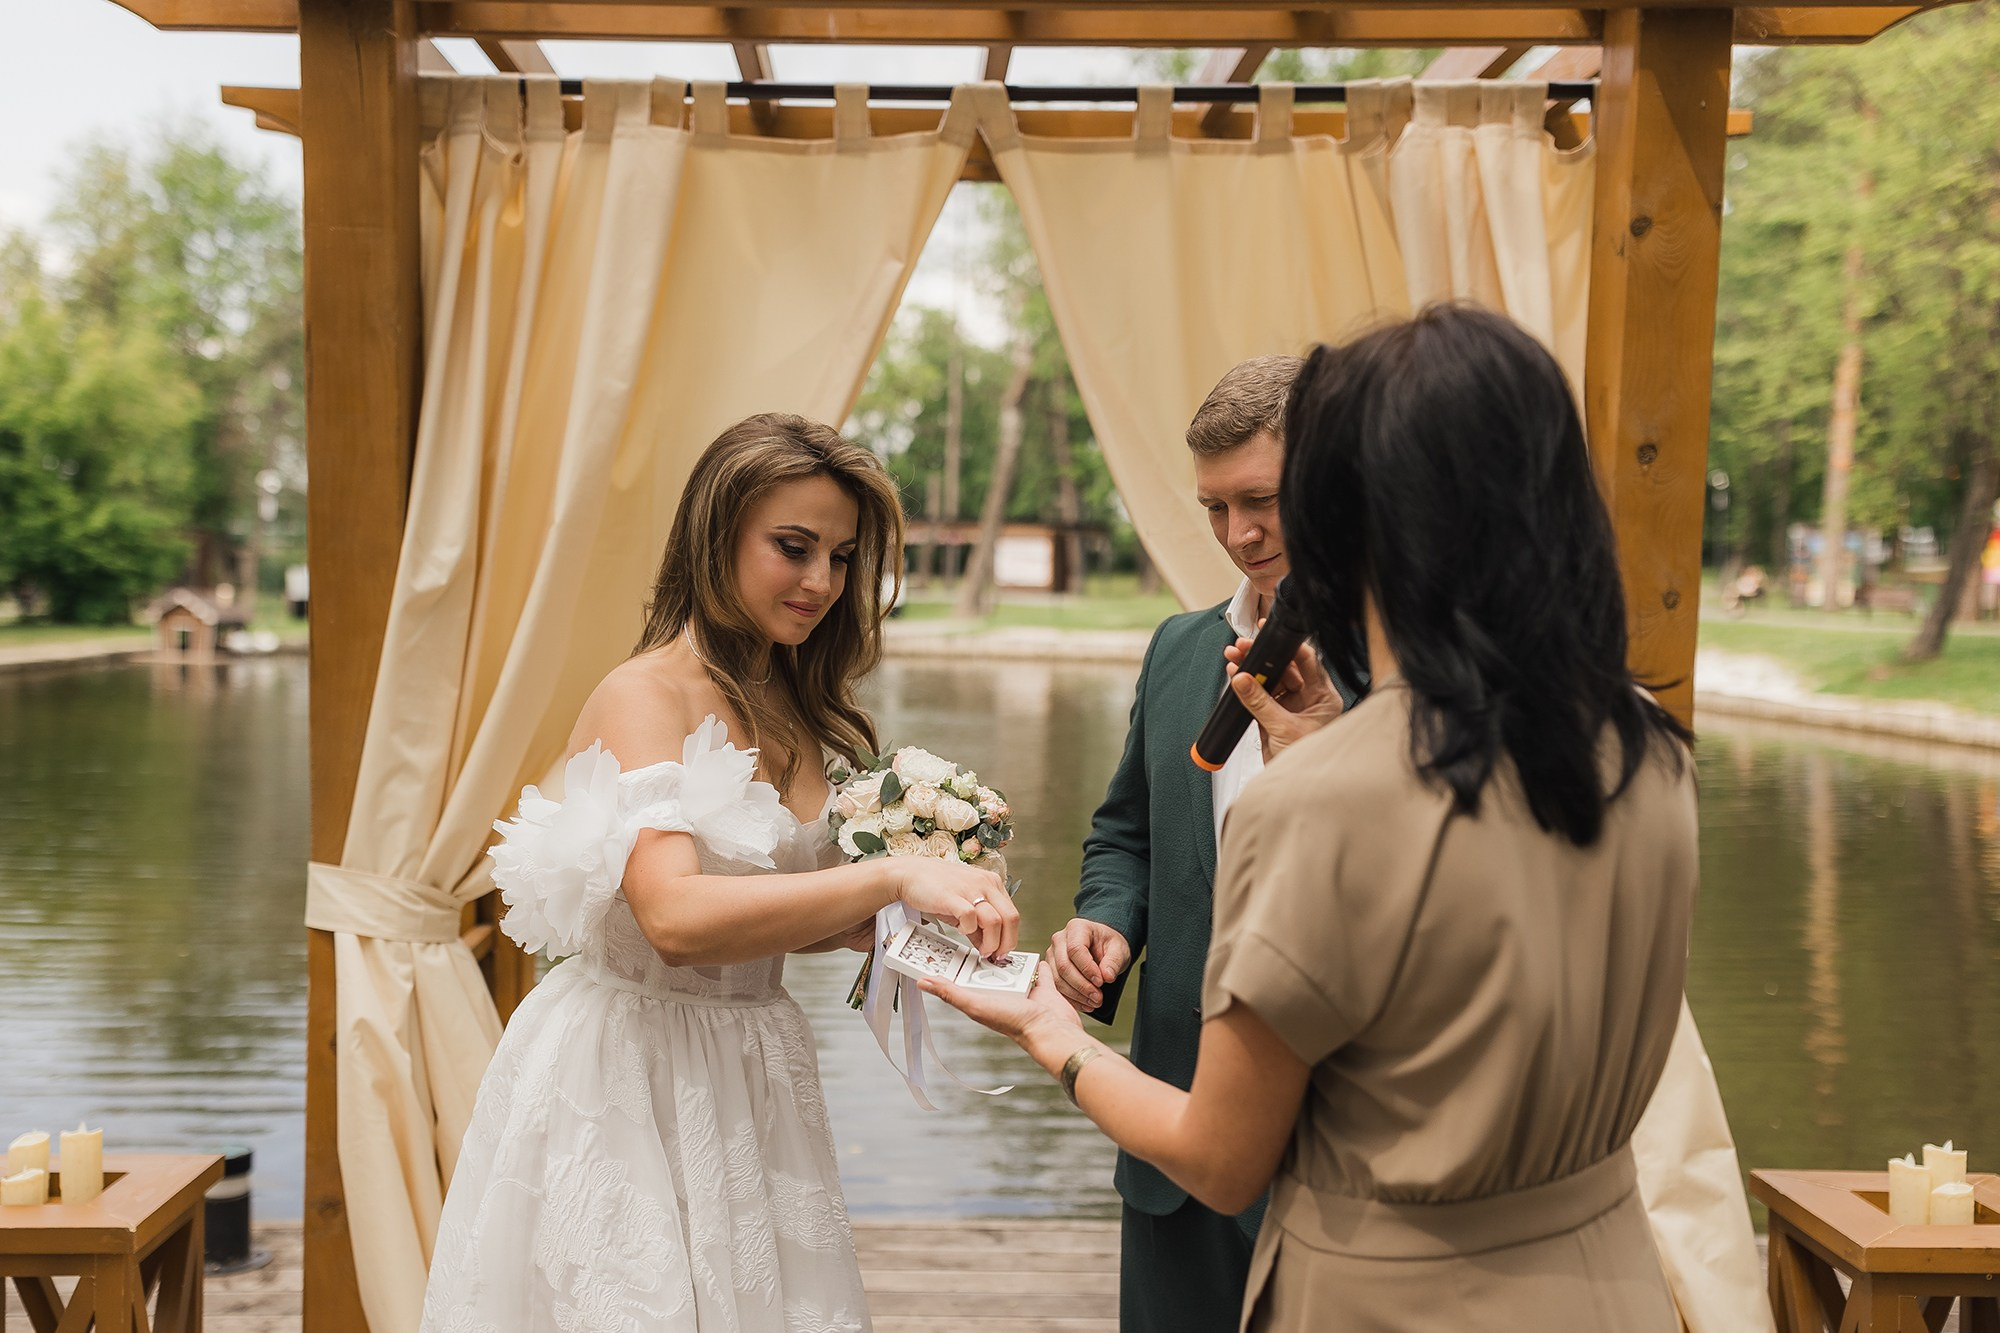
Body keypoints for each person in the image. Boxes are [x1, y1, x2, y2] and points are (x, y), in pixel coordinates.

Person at [929, 306, 1697, 1330]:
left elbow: (1220, 1152)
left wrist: (1051, 1032)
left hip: (1386, 1293)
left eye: (1285, 496)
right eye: (1216, 506)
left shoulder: (1322, 797)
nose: (1243, 532)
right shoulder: (1647, 750)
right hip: (1597, 1279)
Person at [421, 414, 1016, 1332]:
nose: (822, 582)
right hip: (629, 1072)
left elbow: (765, 915)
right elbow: (673, 919)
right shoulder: (644, 695)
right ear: (716, 536)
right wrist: (890, 879)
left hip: (754, 1066)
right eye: (793, 547)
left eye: (842, 557)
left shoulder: (796, 701)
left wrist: (900, 923)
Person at [1046, 355, 1352, 1333]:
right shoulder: (1178, 647)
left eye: (1260, 500)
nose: (1236, 533)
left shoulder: (1409, 666)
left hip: (1341, 1147)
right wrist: (1105, 921)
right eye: (1214, 507)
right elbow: (1125, 831)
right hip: (1171, 1132)